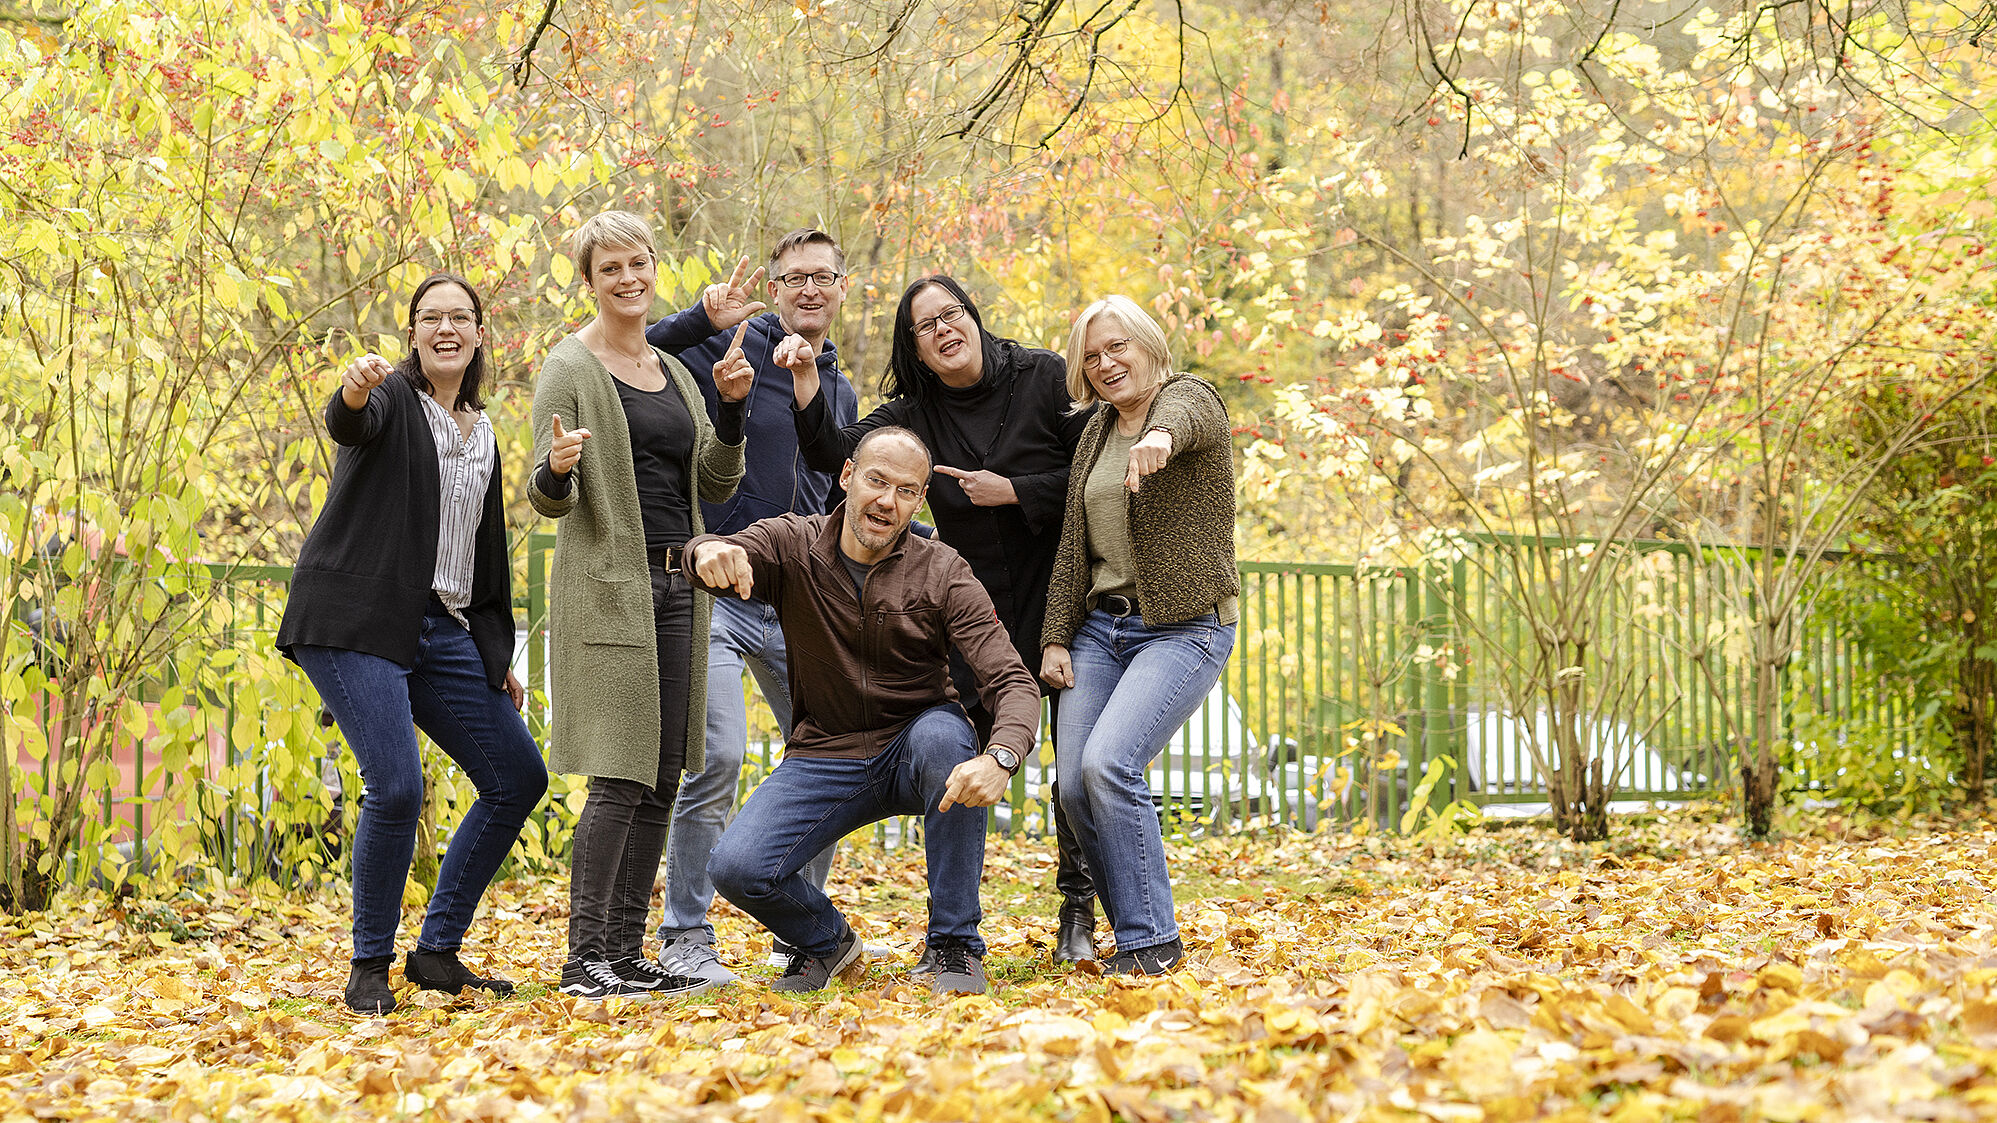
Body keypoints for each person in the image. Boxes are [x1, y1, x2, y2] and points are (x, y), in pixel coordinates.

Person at [790, 275, 1103, 963]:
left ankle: (1076, 912)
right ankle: (953, 937)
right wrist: (808, 377)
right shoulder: (913, 418)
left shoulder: (1043, 377)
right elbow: (832, 454)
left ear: (973, 316)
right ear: (916, 350)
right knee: (962, 765)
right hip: (972, 617)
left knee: (1075, 768)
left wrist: (1014, 490)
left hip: (1060, 603)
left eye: (950, 314)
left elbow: (1092, 471)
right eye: (924, 326)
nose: (942, 329)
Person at [276, 273, 548, 1015]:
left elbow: (483, 558)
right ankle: (370, 962)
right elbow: (348, 421)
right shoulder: (393, 402)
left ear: (480, 333)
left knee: (518, 775)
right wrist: (355, 389)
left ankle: (436, 952)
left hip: (440, 627)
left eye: (461, 317)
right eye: (431, 318)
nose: (447, 328)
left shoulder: (484, 430)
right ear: (412, 334)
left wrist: (494, 658)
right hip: (355, 620)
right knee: (395, 785)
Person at [685, 427, 1039, 995]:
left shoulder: (942, 569)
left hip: (916, 743)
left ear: (918, 501)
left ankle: (953, 948)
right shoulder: (794, 544)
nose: (886, 501)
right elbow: (725, 550)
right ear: (848, 477)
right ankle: (826, 942)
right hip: (826, 751)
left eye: (904, 490)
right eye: (876, 480)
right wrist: (706, 549)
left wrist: (1001, 756)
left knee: (951, 742)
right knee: (737, 866)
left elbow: (1011, 679)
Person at [527, 210, 748, 999]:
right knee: (617, 775)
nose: (627, 279)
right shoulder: (568, 367)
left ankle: (624, 952)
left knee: (661, 777)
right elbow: (544, 499)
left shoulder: (675, 369)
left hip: (681, 586)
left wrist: (729, 409)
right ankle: (582, 957)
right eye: (609, 268)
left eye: (638, 264)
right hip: (610, 592)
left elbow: (715, 486)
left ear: (656, 269)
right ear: (588, 282)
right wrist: (555, 470)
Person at [641, 232, 859, 986]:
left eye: (821, 277)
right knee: (719, 755)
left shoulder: (838, 387)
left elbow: (835, 485)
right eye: (793, 277)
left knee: (829, 752)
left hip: (799, 599)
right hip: (721, 589)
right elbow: (634, 352)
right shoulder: (726, 349)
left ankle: (797, 930)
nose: (807, 289)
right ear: (773, 285)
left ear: (840, 287)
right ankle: (685, 937)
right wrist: (699, 319)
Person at [1038, 295, 1239, 977]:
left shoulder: (1190, 399)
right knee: (1073, 784)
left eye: (1116, 346)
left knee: (1108, 764)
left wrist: (1158, 438)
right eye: (1091, 356)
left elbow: (1183, 420)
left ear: (1148, 344)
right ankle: (1134, 929)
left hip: (1182, 629)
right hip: (1100, 628)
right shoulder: (1095, 431)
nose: (1104, 363)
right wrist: (1054, 637)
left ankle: (1151, 940)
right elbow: (1074, 545)